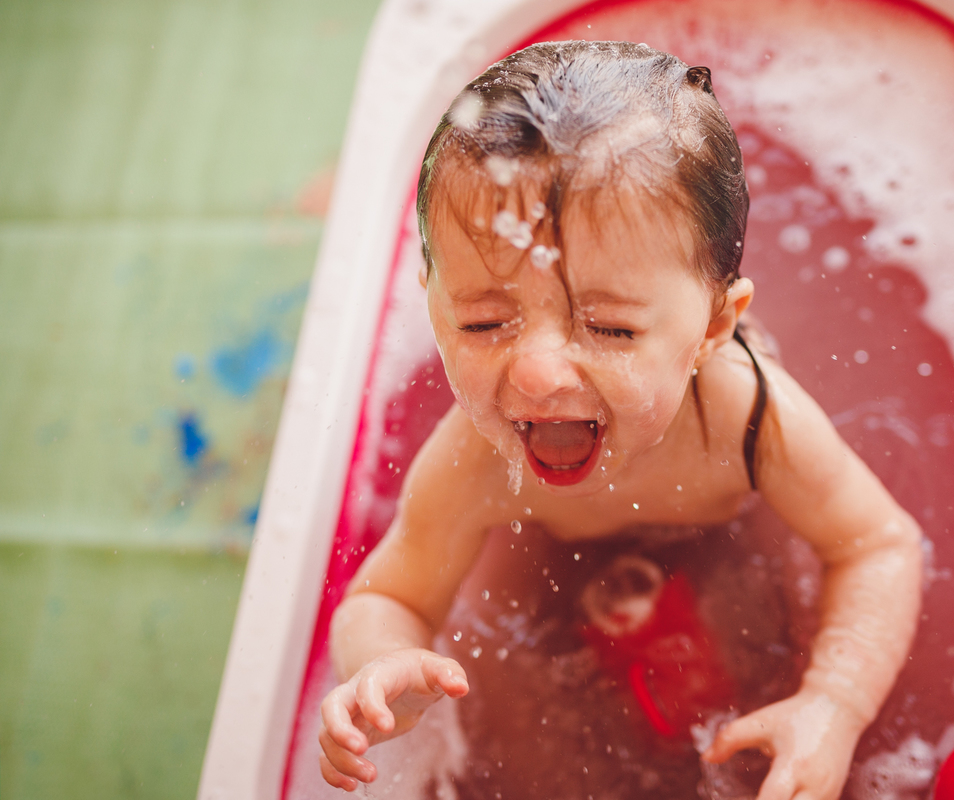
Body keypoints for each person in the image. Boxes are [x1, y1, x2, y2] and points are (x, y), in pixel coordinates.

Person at [317, 40, 922, 800]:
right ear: (430, 299)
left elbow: (876, 545)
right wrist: (383, 664)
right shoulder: (472, 461)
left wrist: (834, 701)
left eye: (608, 329)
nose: (536, 376)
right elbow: (390, 596)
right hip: (558, 568)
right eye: (482, 324)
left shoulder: (746, 415)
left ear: (711, 327)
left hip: (724, 540)